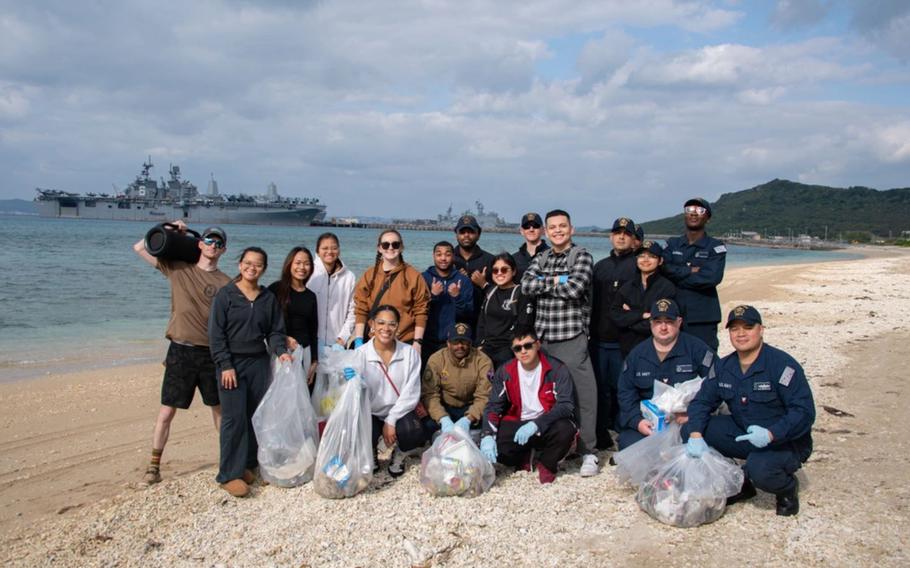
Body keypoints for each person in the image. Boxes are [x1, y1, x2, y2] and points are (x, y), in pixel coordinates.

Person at [685, 306, 815, 516]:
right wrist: (695, 435)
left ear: (761, 329)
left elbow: (804, 412)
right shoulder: (723, 367)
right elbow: (702, 402)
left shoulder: (782, 365)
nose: (741, 334)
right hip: (744, 431)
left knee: (760, 469)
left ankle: (787, 488)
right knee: (691, 429)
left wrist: (772, 433)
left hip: (784, 441)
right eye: (734, 329)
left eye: (748, 327)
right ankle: (739, 482)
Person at [132, 222, 231, 485]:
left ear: (224, 250)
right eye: (209, 240)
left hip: (211, 353)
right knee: (166, 412)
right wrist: (169, 227)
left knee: (219, 411)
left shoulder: (226, 283)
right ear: (199, 243)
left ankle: (227, 461)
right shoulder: (177, 269)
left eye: (218, 243)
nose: (213, 246)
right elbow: (139, 247)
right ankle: (154, 466)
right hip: (180, 350)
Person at [520, 209, 600, 477]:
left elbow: (576, 288)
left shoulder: (582, 255)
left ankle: (588, 451)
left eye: (562, 226)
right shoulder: (540, 257)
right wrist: (559, 280)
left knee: (584, 395)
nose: (557, 231)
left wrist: (546, 281)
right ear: (545, 231)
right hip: (544, 338)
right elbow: (526, 286)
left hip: (571, 336)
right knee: (545, 398)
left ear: (571, 229)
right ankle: (552, 445)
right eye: (552, 227)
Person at [209, 247, 291, 497]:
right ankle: (227, 474)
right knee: (233, 419)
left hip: (258, 362)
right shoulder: (226, 295)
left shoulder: (267, 298)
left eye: (257, 265)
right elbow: (216, 334)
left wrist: (280, 351)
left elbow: (275, 331)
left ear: (264, 268)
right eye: (247, 263)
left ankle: (246, 465)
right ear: (240, 265)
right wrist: (225, 364)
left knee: (254, 416)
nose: (251, 268)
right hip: (231, 363)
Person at [479, 329, 577, 484]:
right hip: (519, 421)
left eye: (528, 346)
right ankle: (524, 456)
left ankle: (547, 463)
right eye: (518, 348)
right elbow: (493, 407)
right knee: (497, 446)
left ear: (537, 345)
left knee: (566, 429)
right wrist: (487, 435)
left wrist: (537, 423)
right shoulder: (505, 371)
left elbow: (566, 406)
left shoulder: (557, 368)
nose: (523, 351)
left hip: (546, 422)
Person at [616, 298, 715, 450]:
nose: (663, 327)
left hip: (686, 421)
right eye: (657, 321)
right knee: (627, 443)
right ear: (651, 324)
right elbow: (625, 393)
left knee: (705, 437)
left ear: (679, 322)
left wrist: (694, 414)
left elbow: (716, 382)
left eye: (669, 321)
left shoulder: (697, 349)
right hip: (651, 423)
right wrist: (638, 422)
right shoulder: (637, 355)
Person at [347, 305, 428, 477]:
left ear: (398, 326)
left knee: (414, 431)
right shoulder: (359, 354)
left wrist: (391, 420)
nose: (386, 328)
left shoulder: (409, 354)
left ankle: (399, 453)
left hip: (399, 412)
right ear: (372, 324)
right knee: (361, 429)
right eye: (381, 323)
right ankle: (371, 453)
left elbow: (411, 393)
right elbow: (352, 395)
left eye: (392, 324)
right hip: (371, 411)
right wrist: (348, 380)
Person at [589, 217, 639, 450]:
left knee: (624, 388)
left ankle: (624, 430)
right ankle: (603, 431)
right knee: (601, 389)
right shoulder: (599, 267)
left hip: (626, 340)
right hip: (599, 338)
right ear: (611, 236)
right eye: (617, 233)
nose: (621, 237)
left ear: (633, 239)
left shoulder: (639, 266)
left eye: (626, 233)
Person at [661, 198, 727, 351]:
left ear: (707, 218)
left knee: (705, 361)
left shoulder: (715, 246)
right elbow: (663, 269)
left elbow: (711, 278)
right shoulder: (672, 244)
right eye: (689, 210)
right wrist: (690, 270)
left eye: (700, 211)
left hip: (703, 317)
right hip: (672, 314)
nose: (694, 214)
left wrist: (676, 275)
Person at [352, 230, 430, 355]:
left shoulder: (413, 276)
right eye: (385, 245)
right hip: (373, 341)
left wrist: (418, 342)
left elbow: (421, 310)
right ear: (379, 248)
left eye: (395, 244)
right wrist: (359, 339)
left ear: (401, 247)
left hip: (404, 342)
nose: (390, 248)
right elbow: (361, 308)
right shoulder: (369, 275)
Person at [421, 322, 492, 437]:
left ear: (470, 343)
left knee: (488, 423)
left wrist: (469, 418)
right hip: (445, 407)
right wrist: (442, 418)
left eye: (464, 342)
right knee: (424, 426)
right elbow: (430, 394)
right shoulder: (436, 359)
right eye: (455, 342)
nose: (460, 346)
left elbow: (484, 395)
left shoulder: (483, 360)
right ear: (448, 343)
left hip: (471, 407)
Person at [610, 240, 676, 356]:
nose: (645, 260)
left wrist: (629, 320)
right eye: (641, 256)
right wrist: (641, 315)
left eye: (651, 256)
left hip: (655, 349)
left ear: (660, 261)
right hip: (627, 349)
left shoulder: (667, 288)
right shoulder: (627, 287)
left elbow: (662, 323)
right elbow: (615, 315)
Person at [268, 246, 319, 387]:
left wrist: (315, 361)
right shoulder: (275, 289)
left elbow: (313, 330)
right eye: (298, 263)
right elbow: (264, 322)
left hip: (305, 352)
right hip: (282, 352)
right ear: (289, 264)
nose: (302, 267)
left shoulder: (311, 296)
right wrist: (283, 338)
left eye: (307, 263)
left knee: (300, 401)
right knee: (279, 399)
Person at [475, 253, 535, 369]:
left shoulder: (520, 293)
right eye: (495, 270)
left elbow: (524, 325)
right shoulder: (490, 292)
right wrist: (479, 344)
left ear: (513, 271)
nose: (499, 273)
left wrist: (511, 349)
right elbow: (482, 322)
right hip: (486, 348)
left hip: (507, 350)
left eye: (504, 270)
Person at [421, 241, 473, 368]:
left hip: (453, 341)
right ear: (433, 256)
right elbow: (418, 312)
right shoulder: (423, 278)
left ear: (453, 257)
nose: (443, 258)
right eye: (439, 254)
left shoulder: (463, 280)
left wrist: (457, 296)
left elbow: (468, 314)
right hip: (427, 339)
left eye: (447, 254)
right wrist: (432, 296)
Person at [308, 232, 356, 350]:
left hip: (337, 342)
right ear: (317, 251)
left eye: (334, 248)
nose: (329, 252)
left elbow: (353, 311)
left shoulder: (349, 277)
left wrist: (343, 338)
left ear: (339, 250)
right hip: (311, 341)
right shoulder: (309, 273)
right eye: (325, 248)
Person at [452, 215, 495, 328]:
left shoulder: (490, 260)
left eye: (470, 231)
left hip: (482, 321)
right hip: (453, 320)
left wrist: (483, 284)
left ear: (478, 234)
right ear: (456, 234)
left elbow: (499, 294)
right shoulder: (448, 261)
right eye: (462, 232)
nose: (466, 235)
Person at [514, 212, 549, 281]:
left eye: (535, 226)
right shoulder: (513, 259)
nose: (531, 229)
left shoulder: (553, 256)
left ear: (543, 230)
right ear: (521, 231)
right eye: (526, 226)